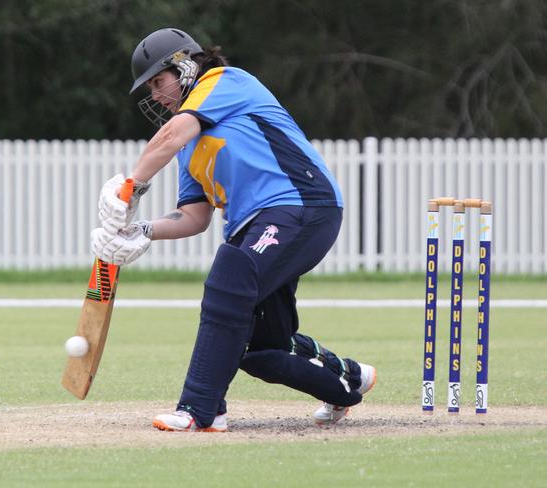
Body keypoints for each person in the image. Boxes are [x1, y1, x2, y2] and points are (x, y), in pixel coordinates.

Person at [91, 27, 376, 432]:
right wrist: (140, 231)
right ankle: (346, 380)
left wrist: (131, 187)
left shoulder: (225, 82)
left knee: (230, 280)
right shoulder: (188, 145)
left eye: (159, 82)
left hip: (301, 204)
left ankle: (200, 410)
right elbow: (194, 216)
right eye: (151, 88)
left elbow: (168, 136)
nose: (155, 95)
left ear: (185, 66)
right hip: (253, 224)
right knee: (259, 349)